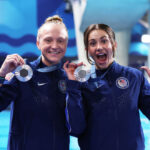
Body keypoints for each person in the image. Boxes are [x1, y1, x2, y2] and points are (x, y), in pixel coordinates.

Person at [64, 24, 150, 150]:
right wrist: (73, 86)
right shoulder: (82, 83)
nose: (99, 47)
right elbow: (76, 128)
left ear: (114, 45)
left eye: (104, 41)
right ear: (88, 50)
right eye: (93, 43)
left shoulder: (134, 77)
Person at [0, 15, 70, 150]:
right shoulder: (24, 73)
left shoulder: (68, 78)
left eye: (60, 41)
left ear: (66, 45)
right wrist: (1, 74)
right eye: (48, 40)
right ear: (38, 43)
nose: (55, 46)